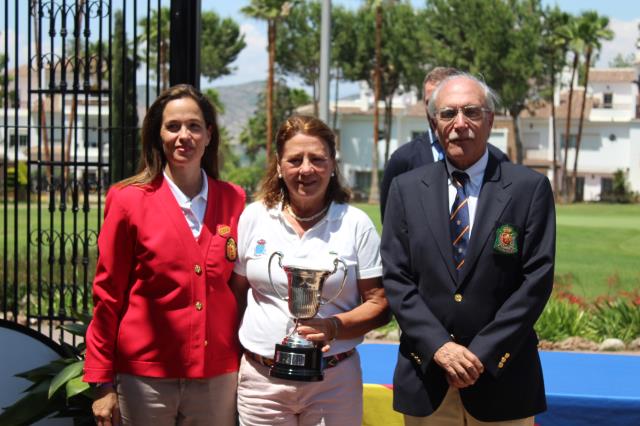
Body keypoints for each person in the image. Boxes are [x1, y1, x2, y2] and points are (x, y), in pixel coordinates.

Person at [381, 74, 555, 425]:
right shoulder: (405, 189)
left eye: (471, 112)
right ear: (434, 123)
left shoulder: (528, 189)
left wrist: (480, 355)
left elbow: (534, 282)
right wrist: (440, 348)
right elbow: (397, 278)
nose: (459, 124)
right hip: (427, 379)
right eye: (448, 114)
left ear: (489, 119)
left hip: (501, 381)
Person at [83, 84, 245, 426]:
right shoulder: (128, 200)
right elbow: (108, 294)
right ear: (158, 135)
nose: (183, 135)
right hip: (146, 380)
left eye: (194, 126)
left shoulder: (235, 200)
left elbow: (242, 289)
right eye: (173, 126)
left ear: (209, 134)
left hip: (217, 378)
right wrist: (101, 381)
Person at [230, 115, 390, 426]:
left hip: (333, 382)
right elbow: (236, 296)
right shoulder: (254, 217)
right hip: (262, 383)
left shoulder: (356, 224)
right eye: (295, 159)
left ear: (332, 164)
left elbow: (380, 304)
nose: (306, 169)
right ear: (279, 165)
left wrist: (333, 326)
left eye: (317, 159)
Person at [380, 67, 509, 222]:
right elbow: (391, 223)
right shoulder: (403, 160)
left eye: (470, 112)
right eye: (429, 103)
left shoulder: (498, 160)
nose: (460, 123)